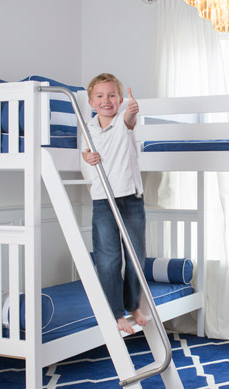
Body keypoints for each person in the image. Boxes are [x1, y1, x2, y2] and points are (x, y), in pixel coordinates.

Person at [80, 73, 147, 335]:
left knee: (135, 257)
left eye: (111, 96)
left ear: (119, 100)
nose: (106, 100)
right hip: (103, 200)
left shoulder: (123, 121)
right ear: (91, 102)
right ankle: (116, 312)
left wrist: (132, 111)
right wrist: (86, 157)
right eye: (100, 96)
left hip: (130, 198)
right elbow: (83, 156)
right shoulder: (87, 129)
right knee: (108, 259)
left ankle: (133, 305)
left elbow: (130, 122)